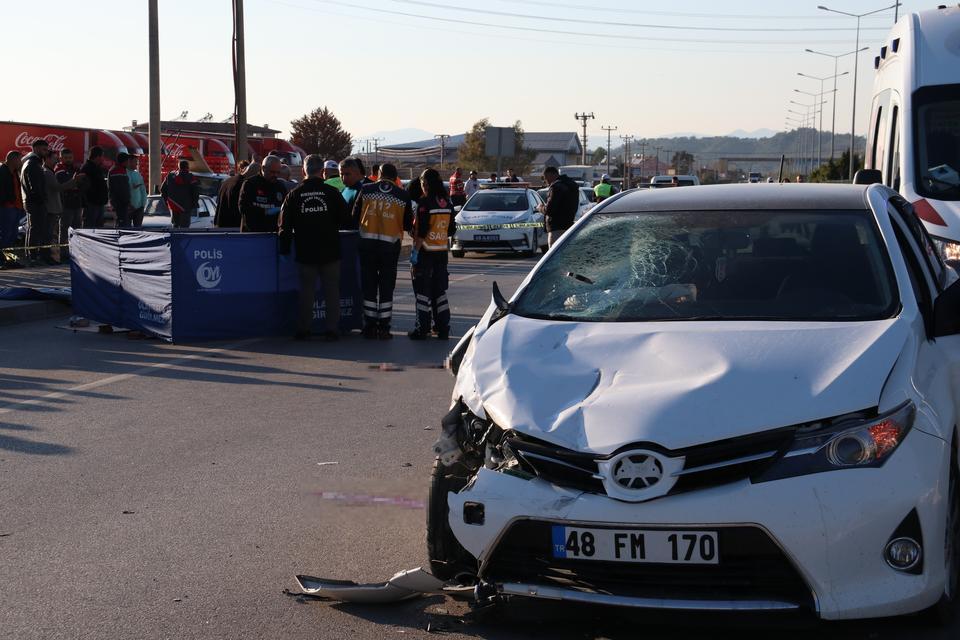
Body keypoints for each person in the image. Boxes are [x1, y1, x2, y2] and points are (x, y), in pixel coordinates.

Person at [278, 154, 350, 341]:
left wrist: (284, 249)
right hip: (331, 250)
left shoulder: (294, 194)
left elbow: (284, 225)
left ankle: (304, 329)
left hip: (305, 251)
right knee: (332, 291)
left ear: (303, 171)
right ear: (323, 172)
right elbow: (346, 219)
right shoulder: (332, 193)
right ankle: (332, 329)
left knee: (306, 292)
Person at [353, 163, 413, 340]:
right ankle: (384, 327)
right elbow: (409, 224)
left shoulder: (366, 190)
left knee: (369, 287)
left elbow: (354, 217)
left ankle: (370, 326)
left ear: (378, 175)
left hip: (367, 247)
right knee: (386, 288)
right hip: (390, 248)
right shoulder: (403, 195)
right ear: (395, 178)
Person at [409, 168, 455, 340]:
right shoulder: (447, 203)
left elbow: (421, 232)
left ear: (425, 184)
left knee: (422, 293)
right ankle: (442, 328)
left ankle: (422, 329)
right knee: (439, 293)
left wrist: (414, 254)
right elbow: (451, 230)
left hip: (425, 253)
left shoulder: (424, 203)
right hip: (441, 253)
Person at [41, 151, 80, 262]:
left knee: (72, 230)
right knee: (60, 231)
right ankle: (61, 254)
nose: (56, 161)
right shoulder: (51, 172)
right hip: (62, 205)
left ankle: (71, 253)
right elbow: (58, 187)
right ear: (47, 159)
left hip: (73, 204)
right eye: (55, 159)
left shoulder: (73, 169)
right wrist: (74, 181)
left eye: (70, 157)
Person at [20, 139, 52, 264]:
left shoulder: (33, 162)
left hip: (33, 201)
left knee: (34, 229)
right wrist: (41, 199)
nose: (46, 152)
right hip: (35, 202)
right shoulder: (33, 164)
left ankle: (32, 255)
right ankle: (32, 256)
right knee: (35, 229)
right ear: (36, 148)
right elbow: (35, 186)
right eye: (44, 149)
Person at [239, 155, 286, 232]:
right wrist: (265, 211)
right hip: (252, 234)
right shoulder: (250, 184)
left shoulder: (280, 187)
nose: (275, 175)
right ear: (263, 168)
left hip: (273, 235)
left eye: (278, 172)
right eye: (272, 172)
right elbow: (243, 208)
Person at [538, 166, 578, 247]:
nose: (546, 181)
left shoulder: (556, 187)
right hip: (568, 226)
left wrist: (540, 208)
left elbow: (549, 210)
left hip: (556, 227)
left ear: (551, 175)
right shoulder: (571, 185)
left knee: (554, 256)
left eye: (546, 178)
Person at [0, 151, 24, 269]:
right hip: (6, 207)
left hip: (16, 207)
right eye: (19, 159)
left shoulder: (15, 172)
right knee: (6, 234)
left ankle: (9, 260)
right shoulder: (2, 171)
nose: (21, 162)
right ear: (13, 160)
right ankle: (2, 261)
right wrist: (6, 201)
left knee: (13, 235)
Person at [160, 160, 201, 228]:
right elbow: (195, 192)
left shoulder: (170, 176)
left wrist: (167, 201)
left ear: (178, 167)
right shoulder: (191, 177)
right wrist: (194, 203)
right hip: (186, 207)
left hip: (174, 205)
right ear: (188, 167)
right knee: (184, 228)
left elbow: (162, 189)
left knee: (175, 226)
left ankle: (175, 238)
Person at [214, 160, 253, 227]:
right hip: (234, 225)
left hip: (221, 222)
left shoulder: (226, 182)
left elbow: (218, 202)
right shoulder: (244, 184)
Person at [55, 149, 83, 239]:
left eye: (70, 157)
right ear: (61, 158)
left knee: (77, 229)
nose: (68, 160)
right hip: (65, 204)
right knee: (65, 230)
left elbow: (81, 184)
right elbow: (64, 186)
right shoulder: (59, 170)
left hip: (77, 203)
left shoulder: (75, 169)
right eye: (66, 158)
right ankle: (64, 251)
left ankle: (75, 251)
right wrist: (74, 182)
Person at [78, 146, 108, 228]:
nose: (103, 159)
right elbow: (84, 187)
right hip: (91, 204)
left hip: (99, 203)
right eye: (102, 156)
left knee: (98, 228)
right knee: (89, 227)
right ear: (98, 156)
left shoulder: (97, 168)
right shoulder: (87, 168)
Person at [338, 157, 369, 226]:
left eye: (347, 174)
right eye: (341, 174)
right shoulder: (343, 190)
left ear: (357, 173)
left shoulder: (362, 191)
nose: (344, 178)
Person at [108, 152, 132, 227]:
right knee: (122, 225)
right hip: (119, 203)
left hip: (121, 203)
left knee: (123, 223)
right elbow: (121, 189)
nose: (129, 163)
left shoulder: (121, 169)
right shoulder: (117, 170)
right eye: (128, 161)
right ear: (124, 161)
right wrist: (127, 201)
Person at [127, 153, 147, 226]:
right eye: (135, 162)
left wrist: (143, 204)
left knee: (138, 230)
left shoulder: (138, 174)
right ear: (129, 161)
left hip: (139, 209)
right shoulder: (124, 173)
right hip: (127, 208)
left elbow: (143, 190)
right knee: (126, 230)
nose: (137, 164)